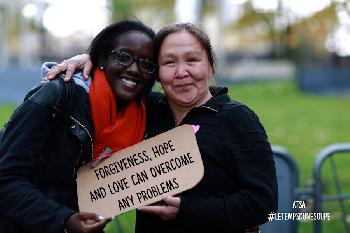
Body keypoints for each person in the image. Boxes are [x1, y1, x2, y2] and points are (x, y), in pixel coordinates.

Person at [45, 23, 278, 233]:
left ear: (211, 67)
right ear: (155, 72)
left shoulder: (238, 119)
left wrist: (187, 210)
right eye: (169, 62)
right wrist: (90, 60)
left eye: (193, 60)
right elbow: (117, 72)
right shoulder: (145, 109)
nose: (181, 72)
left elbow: (262, 202)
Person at [0, 20, 157, 233]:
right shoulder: (57, 96)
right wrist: (64, 221)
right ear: (101, 58)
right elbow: (6, 178)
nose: (134, 69)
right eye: (123, 56)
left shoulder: (145, 112)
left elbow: (196, 96)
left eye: (147, 63)